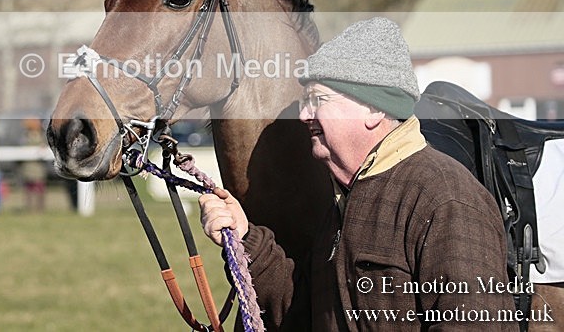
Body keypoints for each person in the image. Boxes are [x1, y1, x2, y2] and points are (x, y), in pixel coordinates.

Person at [199, 17, 517, 331]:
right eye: (305, 101)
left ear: (374, 109)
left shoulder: (447, 198)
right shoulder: (345, 200)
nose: (304, 114)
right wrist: (243, 239)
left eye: (317, 100)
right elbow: (303, 311)